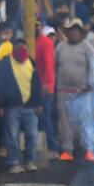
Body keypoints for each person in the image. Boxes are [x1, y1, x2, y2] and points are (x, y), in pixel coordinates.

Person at [0, 39, 42, 174]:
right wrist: (0, 105)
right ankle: (13, 162)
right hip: (11, 106)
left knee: (32, 135)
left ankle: (30, 161)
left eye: (23, 46)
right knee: (12, 136)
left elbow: (36, 84)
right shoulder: (5, 64)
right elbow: (0, 85)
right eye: (18, 46)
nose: (21, 49)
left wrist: (38, 103)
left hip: (30, 107)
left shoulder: (31, 63)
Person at [55, 18, 94, 162]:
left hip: (82, 92)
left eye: (76, 30)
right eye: (70, 30)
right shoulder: (60, 47)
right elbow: (55, 67)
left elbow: (93, 67)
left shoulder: (87, 47)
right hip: (63, 91)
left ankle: (88, 150)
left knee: (85, 122)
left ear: (80, 32)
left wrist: (90, 84)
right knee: (65, 123)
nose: (73, 32)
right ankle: (67, 150)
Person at [35, 21, 58, 157]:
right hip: (33, 86)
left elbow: (49, 65)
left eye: (38, 25)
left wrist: (47, 84)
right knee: (39, 118)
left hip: (43, 87)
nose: (36, 27)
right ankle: (41, 148)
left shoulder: (45, 41)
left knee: (45, 117)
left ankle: (52, 148)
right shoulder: (32, 41)